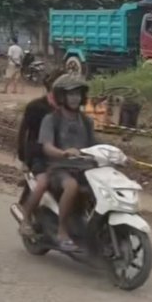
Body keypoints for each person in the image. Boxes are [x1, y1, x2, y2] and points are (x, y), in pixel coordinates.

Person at [37, 73, 96, 252]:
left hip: (84, 168)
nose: (74, 98)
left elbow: (95, 144)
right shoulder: (51, 119)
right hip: (59, 168)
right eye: (70, 94)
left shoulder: (86, 121)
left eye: (77, 94)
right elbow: (47, 147)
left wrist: (118, 153)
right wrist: (63, 153)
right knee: (71, 186)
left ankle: (94, 230)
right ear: (61, 96)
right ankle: (62, 231)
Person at [16, 68, 65, 237]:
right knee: (43, 183)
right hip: (39, 156)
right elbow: (24, 132)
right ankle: (26, 219)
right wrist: (23, 158)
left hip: (64, 156)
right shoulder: (36, 107)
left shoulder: (70, 109)